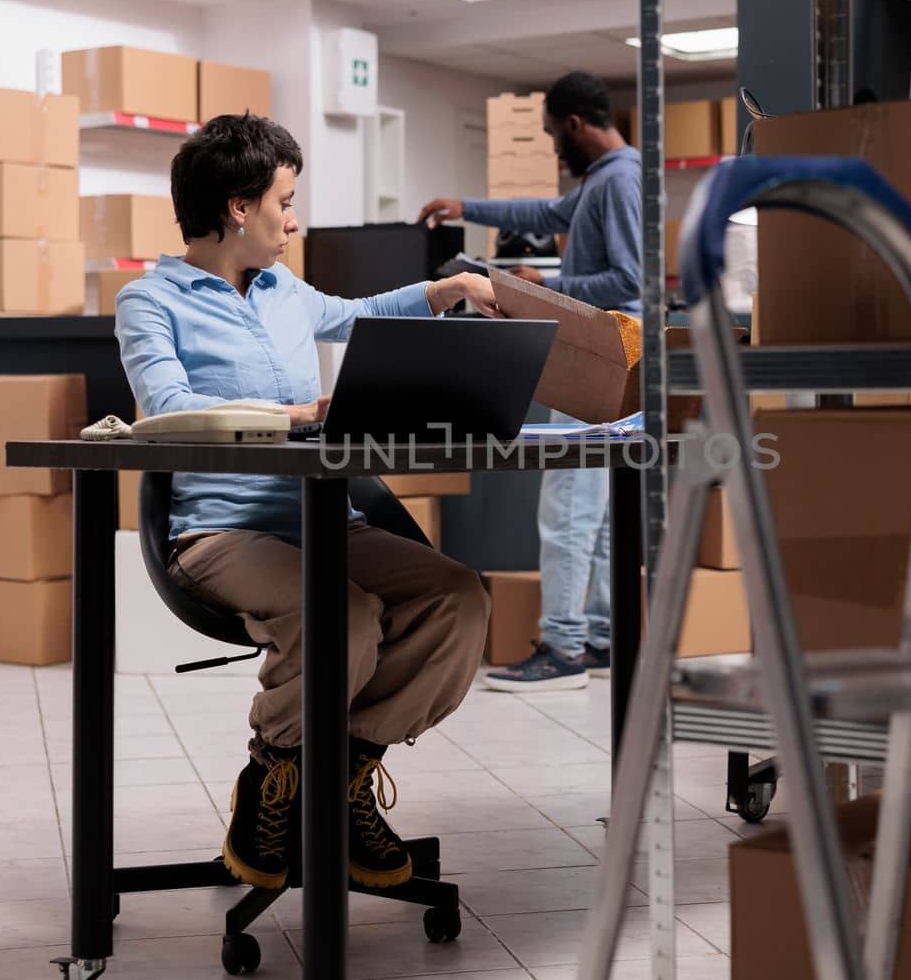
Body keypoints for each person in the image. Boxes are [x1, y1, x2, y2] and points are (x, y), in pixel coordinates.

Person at [114, 113, 499, 893]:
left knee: (458, 598)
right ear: (237, 208)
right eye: (284, 202)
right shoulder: (150, 302)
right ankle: (272, 775)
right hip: (221, 530)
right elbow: (168, 406)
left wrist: (448, 289)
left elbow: (359, 314)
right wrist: (294, 416)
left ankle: (345, 774)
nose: (293, 219)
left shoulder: (283, 288)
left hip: (324, 516)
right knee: (344, 615)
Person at [417, 71, 640, 692]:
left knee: (569, 505)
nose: (550, 148)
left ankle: (564, 647)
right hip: (614, 360)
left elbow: (631, 280)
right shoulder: (609, 177)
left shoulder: (619, 180)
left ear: (574, 124)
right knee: (594, 508)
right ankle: (596, 636)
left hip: (602, 361)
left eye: (550, 136)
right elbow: (544, 212)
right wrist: (466, 208)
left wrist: (546, 288)